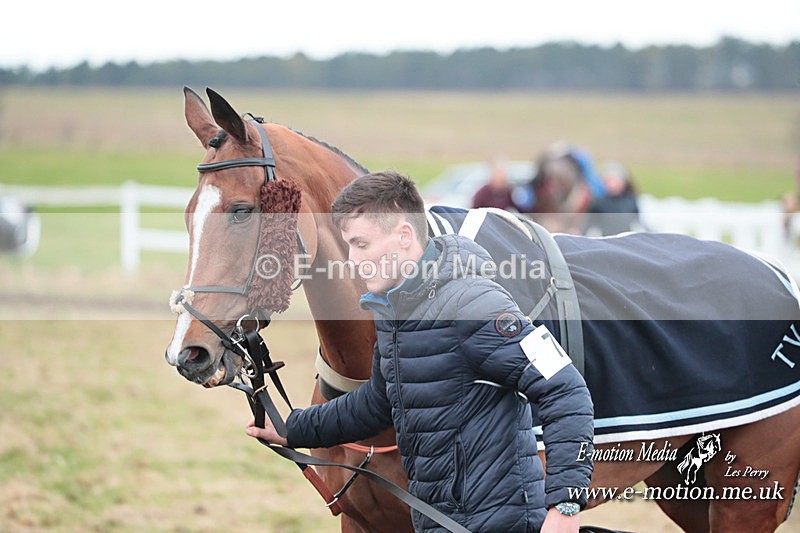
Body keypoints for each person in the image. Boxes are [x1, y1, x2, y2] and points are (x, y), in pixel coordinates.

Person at [246, 170, 594, 532]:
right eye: (349, 245)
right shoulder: (395, 314)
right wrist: (292, 429)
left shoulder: (473, 305)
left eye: (361, 244)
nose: (351, 259)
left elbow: (565, 390)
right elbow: (376, 405)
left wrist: (565, 505)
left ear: (405, 236)